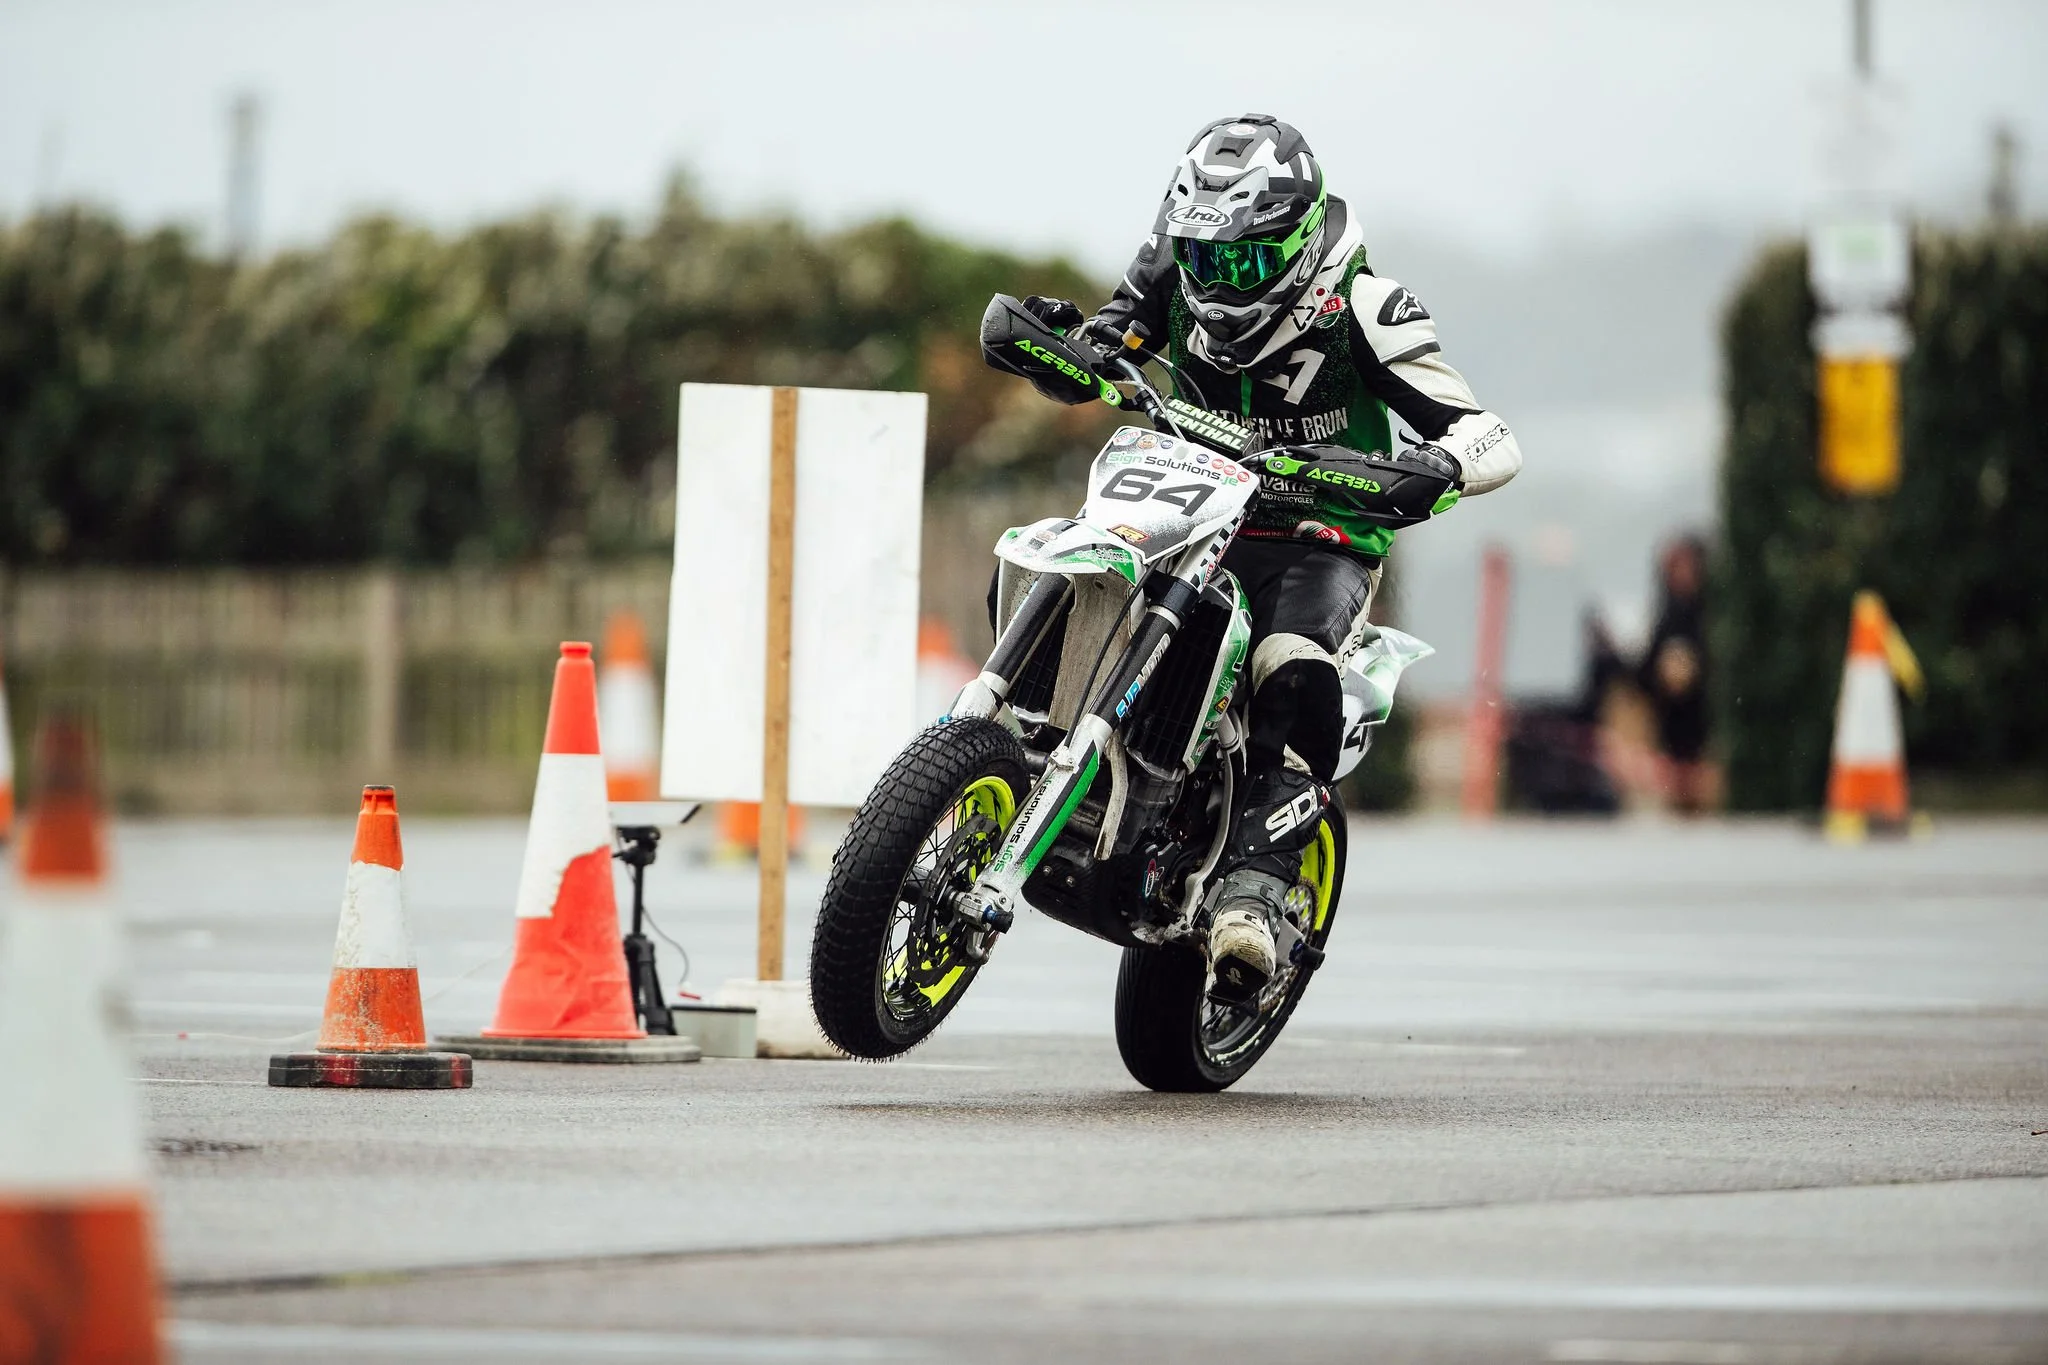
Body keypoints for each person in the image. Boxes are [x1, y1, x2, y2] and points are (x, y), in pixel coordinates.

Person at [1020, 114, 1522, 1000]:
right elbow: (1111, 340)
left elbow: (1487, 433)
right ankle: (1005, 737)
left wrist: (1436, 466)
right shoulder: (1174, 268)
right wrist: (1069, 353)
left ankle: (1252, 887)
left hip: (1315, 534)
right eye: (1206, 260)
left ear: (1296, 240)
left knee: (1291, 665)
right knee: (1068, 556)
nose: (1219, 282)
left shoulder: (1368, 307)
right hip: (1184, 499)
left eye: (1244, 263)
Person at [1638, 535, 1712, 815]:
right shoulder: (1665, 613)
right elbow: (1644, 669)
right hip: (1670, 721)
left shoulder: (1708, 613)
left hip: (1701, 718)